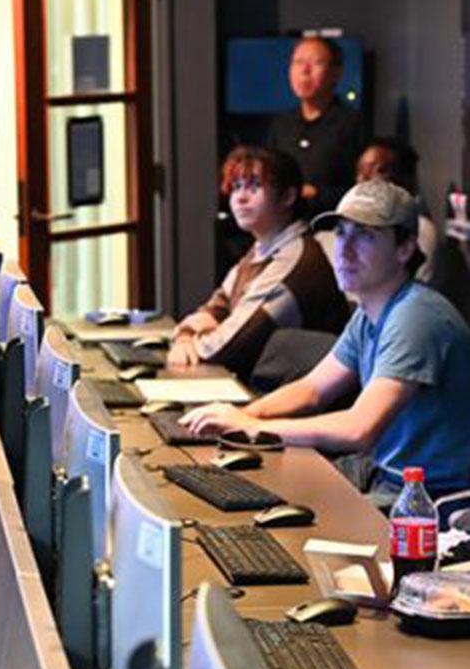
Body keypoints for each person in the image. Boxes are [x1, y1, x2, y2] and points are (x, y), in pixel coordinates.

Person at [181, 179, 470, 510]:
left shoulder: (415, 316)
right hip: (388, 479)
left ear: (404, 248)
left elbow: (358, 429)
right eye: (343, 232)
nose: (344, 249)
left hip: (433, 502)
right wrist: (241, 415)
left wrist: (252, 428)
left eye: (365, 236)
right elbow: (312, 390)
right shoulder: (371, 312)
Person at [167, 146, 349, 381]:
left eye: (254, 186)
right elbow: (217, 307)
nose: (240, 197)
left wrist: (191, 343)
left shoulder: (295, 258)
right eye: (236, 187)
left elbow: (230, 344)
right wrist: (185, 336)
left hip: (304, 405)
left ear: (288, 196)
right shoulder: (261, 249)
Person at [266, 36, 362, 215]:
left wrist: (317, 194)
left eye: (316, 63)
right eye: (298, 62)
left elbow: (364, 190)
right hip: (287, 226)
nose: (304, 70)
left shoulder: (352, 124)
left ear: (336, 73)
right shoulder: (281, 124)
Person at [354, 136, 438, 285]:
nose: (362, 180)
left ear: (404, 178)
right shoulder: (353, 223)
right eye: (360, 171)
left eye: (378, 170)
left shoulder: (420, 228)